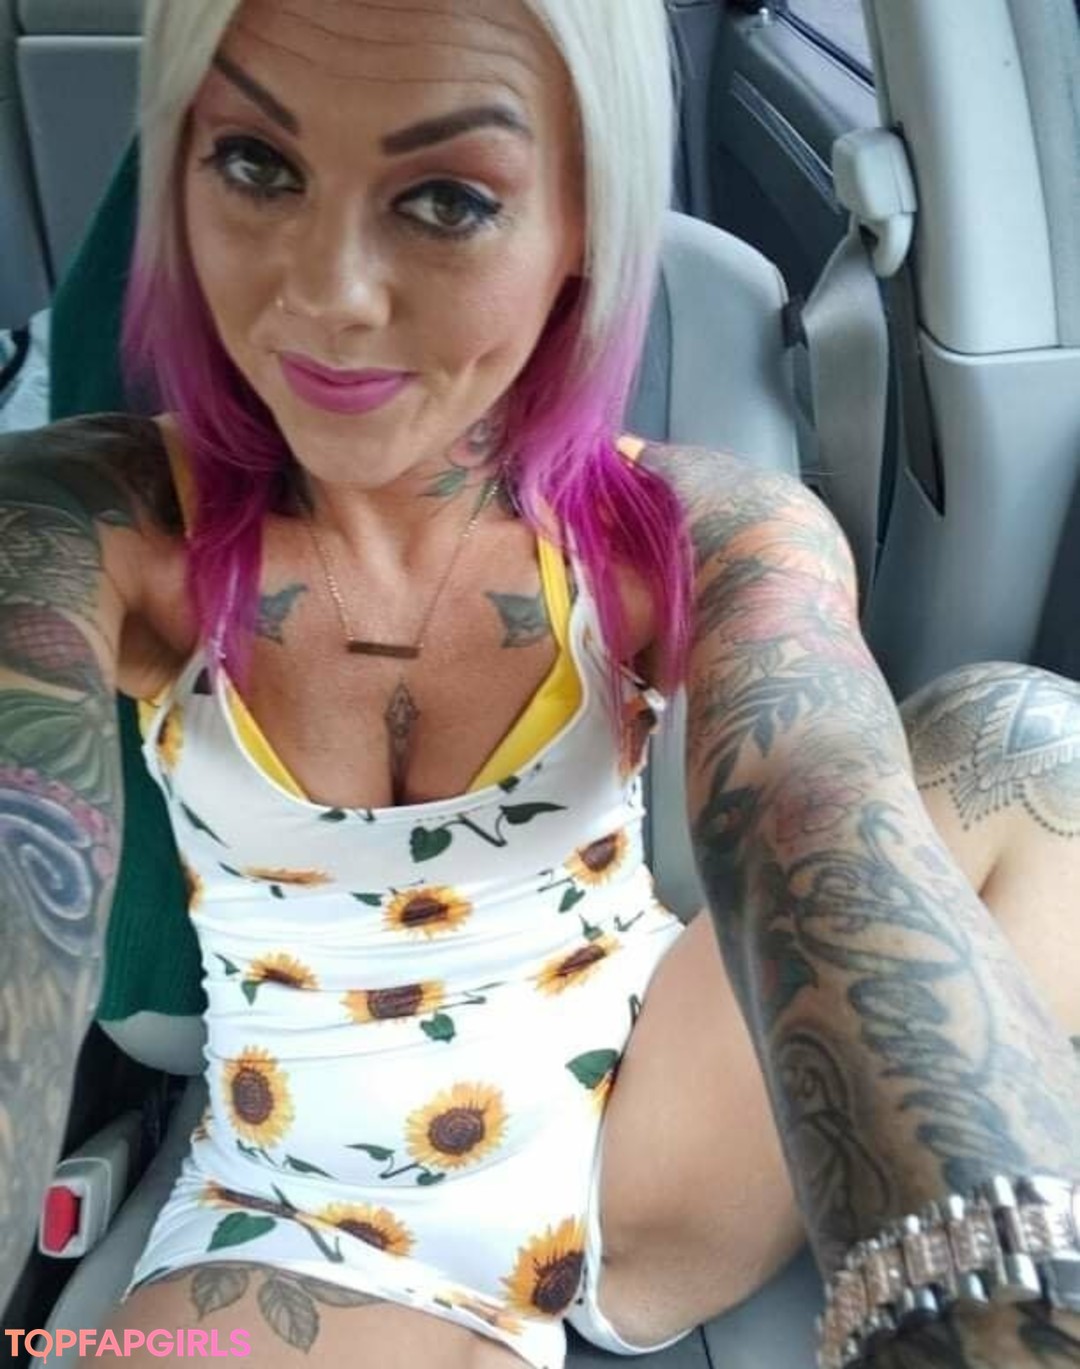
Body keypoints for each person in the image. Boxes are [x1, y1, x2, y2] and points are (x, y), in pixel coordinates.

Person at [1, 2, 1079, 1366]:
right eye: (257, 166)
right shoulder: (86, 523)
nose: (332, 293)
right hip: (297, 1220)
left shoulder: (702, 528)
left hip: (643, 1125)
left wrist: (999, 1301)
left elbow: (816, 811)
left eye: (447, 199)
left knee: (1027, 744)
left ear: (582, 223)